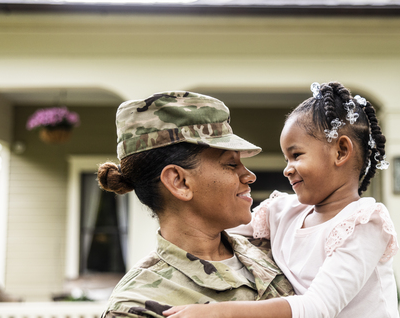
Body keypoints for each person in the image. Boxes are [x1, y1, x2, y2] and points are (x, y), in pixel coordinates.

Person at [164, 81, 400, 318]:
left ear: (340, 151)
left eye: (296, 155)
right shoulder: (283, 212)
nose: (287, 169)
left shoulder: (364, 224)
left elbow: (316, 308)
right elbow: (217, 229)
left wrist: (219, 313)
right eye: (286, 159)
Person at [98, 91, 295, 318]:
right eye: (231, 164)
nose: (249, 176)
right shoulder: (136, 306)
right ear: (179, 182)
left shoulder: (272, 248)